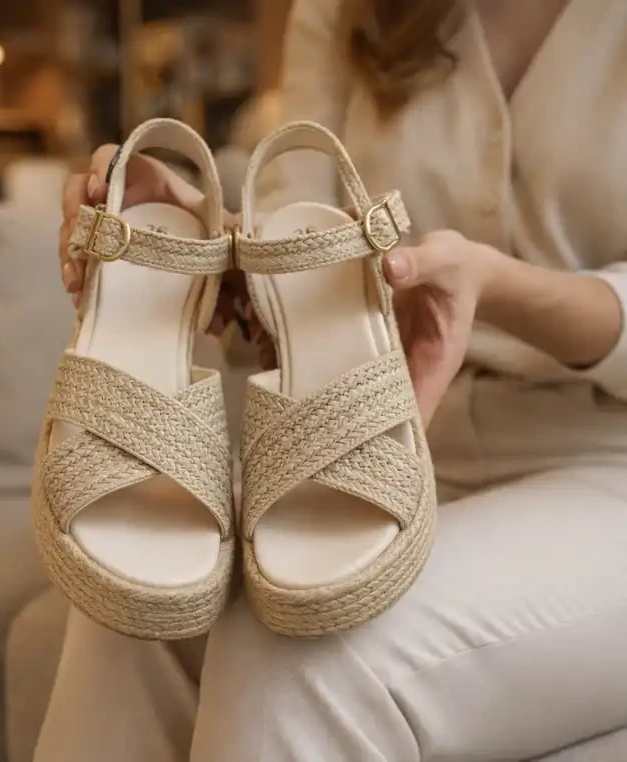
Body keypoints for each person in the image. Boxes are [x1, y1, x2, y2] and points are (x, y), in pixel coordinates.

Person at [40, 0, 627, 759]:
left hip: (603, 462)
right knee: (129, 613)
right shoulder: (347, 10)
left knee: (298, 654)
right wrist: (219, 248)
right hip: (375, 444)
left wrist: (496, 286)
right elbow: (299, 231)